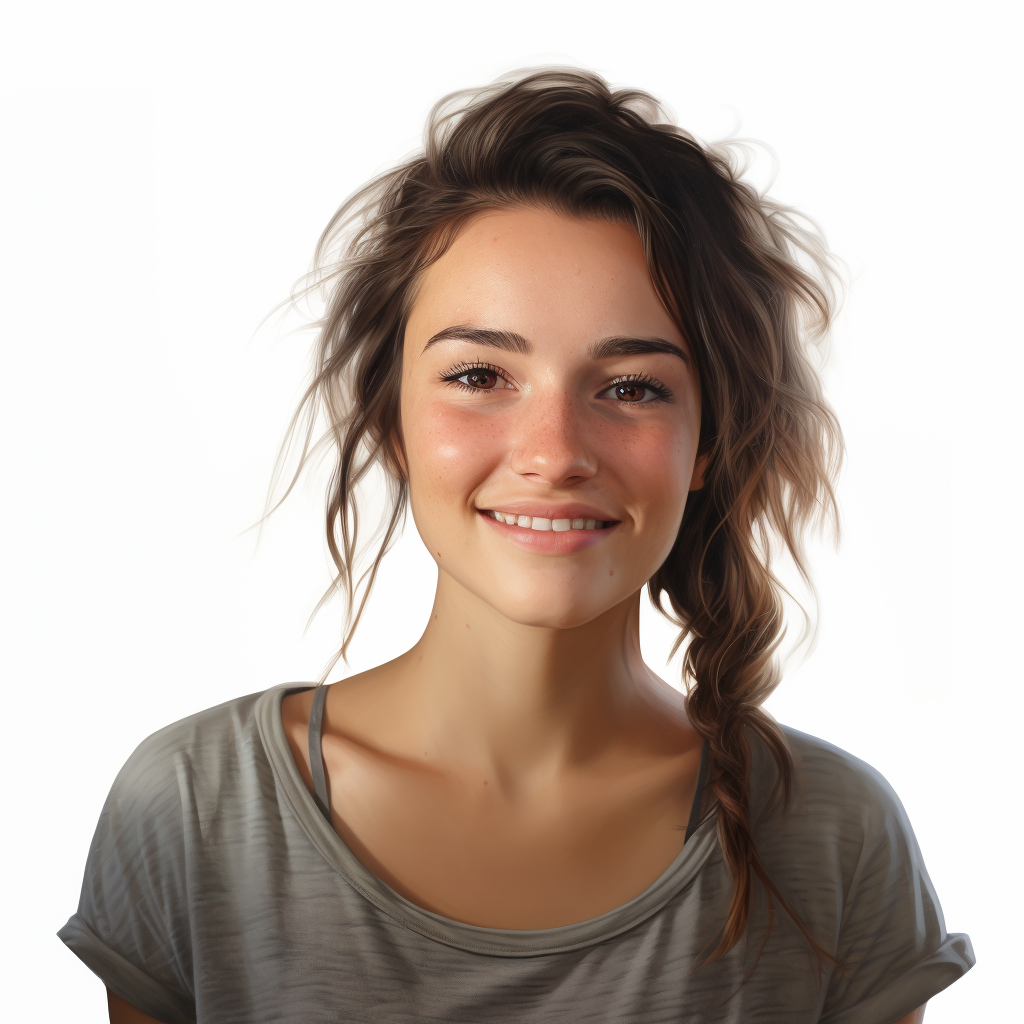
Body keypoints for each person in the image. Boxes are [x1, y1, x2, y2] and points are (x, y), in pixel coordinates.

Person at [59, 68, 974, 1024]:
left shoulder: (838, 839)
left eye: (630, 387)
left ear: (707, 441)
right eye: (481, 373)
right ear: (389, 419)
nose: (554, 454)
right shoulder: (194, 813)